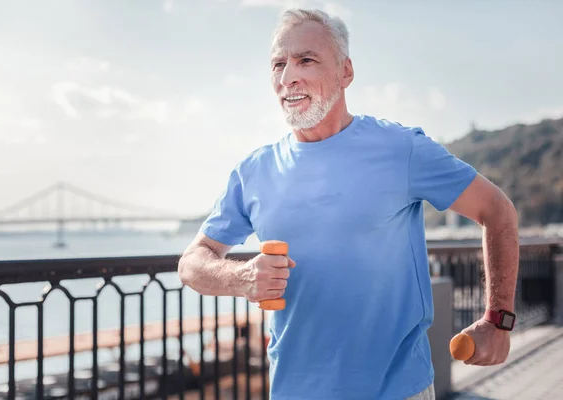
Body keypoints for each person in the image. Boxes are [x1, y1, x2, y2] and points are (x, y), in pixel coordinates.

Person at [178, 8, 519, 400]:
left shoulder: (401, 149)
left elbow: (498, 212)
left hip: (396, 391)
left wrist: (498, 322)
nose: (289, 76)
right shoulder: (253, 172)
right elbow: (191, 264)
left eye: (306, 59)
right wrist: (241, 278)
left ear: (346, 72)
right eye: (278, 64)